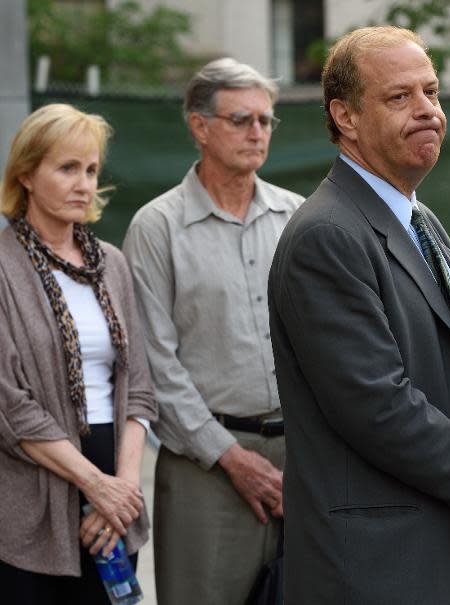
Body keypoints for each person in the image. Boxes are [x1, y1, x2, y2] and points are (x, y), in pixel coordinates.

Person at [268, 26, 450, 605]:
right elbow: (376, 404)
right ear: (344, 116)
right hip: (375, 568)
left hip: (444, 546)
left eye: (432, 93)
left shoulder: (422, 222)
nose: (427, 111)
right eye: (400, 97)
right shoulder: (327, 235)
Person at [122, 58, 304, 605]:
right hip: (205, 468)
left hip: (301, 459)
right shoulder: (157, 227)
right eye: (241, 119)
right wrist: (230, 457)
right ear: (200, 127)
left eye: (267, 121)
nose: (258, 132)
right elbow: (155, 363)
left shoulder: (297, 218)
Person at [0, 103, 157, 604]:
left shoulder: (109, 263)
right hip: (34, 492)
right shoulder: (4, 267)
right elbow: (9, 403)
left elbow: (139, 385)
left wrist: (122, 491)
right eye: (67, 168)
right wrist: (94, 485)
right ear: (26, 173)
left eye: (90, 170)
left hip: (115, 481)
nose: (84, 183)